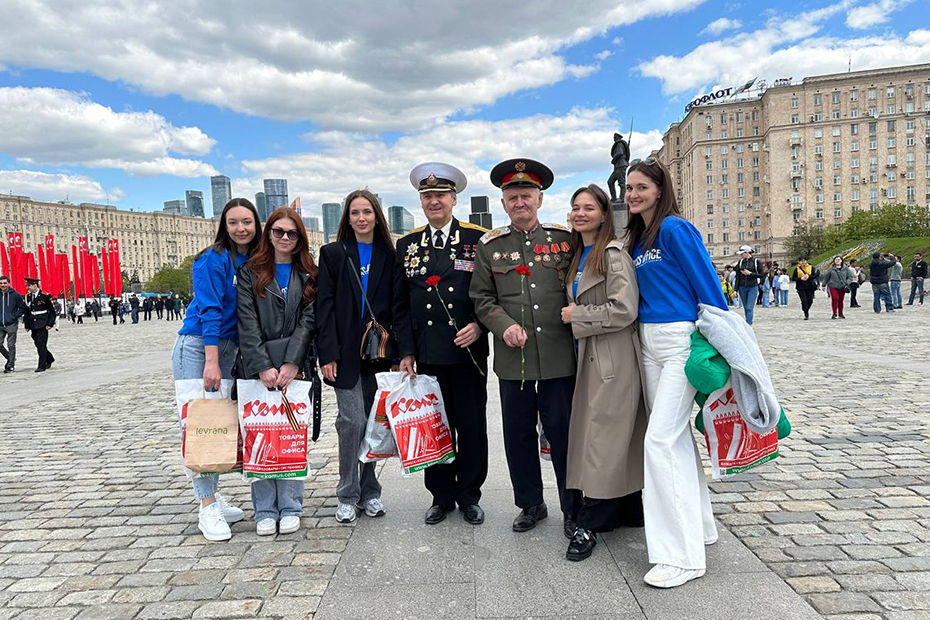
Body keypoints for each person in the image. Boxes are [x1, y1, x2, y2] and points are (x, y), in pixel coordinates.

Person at [624, 158, 728, 588]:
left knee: (659, 440)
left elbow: (709, 287)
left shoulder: (674, 228)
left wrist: (718, 342)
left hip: (680, 339)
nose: (633, 194)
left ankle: (680, 557)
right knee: (676, 437)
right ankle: (700, 527)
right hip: (649, 342)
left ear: (660, 188)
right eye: (629, 188)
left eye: (641, 187)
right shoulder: (638, 237)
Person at [470, 158, 579, 536]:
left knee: (564, 434)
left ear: (539, 199)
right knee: (518, 435)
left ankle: (572, 506)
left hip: (558, 357)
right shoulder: (490, 246)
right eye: (513, 197)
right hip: (512, 359)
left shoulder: (564, 241)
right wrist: (503, 327)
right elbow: (482, 298)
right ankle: (531, 503)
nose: (520, 203)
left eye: (526, 196)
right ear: (503, 203)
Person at [393, 163, 490, 526]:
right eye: (426, 196)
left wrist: (480, 326)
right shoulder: (407, 245)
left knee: (471, 425)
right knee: (432, 426)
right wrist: (406, 351)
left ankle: (469, 495)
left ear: (454, 198)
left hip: (467, 353)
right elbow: (400, 304)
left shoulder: (478, 239)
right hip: (428, 354)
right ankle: (440, 495)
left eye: (440, 195)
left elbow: (490, 294)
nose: (434, 202)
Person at [560, 184, 646, 562]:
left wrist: (577, 316)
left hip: (612, 359)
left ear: (603, 214)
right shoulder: (582, 254)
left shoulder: (612, 255)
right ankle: (627, 509)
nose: (580, 214)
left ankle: (589, 521)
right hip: (590, 356)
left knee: (602, 440)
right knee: (609, 438)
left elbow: (624, 310)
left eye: (589, 208)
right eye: (576, 208)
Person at [316, 189, 408, 524]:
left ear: (376, 216)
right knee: (351, 422)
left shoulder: (390, 253)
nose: (361, 218)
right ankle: (346, 493)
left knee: (373, 424)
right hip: (344, 355)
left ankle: (370, 492)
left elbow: (399, 306)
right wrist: (326, 353)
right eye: (355, 213)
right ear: (347, 218)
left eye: (367, 212)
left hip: (380, 354)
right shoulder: (333, 253)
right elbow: (323, 307)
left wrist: (400, 354)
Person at [173, 197, 261, 542]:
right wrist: (211, 361)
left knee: (220, 424)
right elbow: (209, 309)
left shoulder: (254, 259)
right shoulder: (213, 259)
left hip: (229, 348)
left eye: (247, 222)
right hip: (200, 346)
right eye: (233, 222)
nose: (241, 228)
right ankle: (207, 505)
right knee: (199, 424)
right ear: (223, 226)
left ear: (257, 225)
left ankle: (213, 495)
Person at [238, 207, 318, 536]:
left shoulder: (309, 273)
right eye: (278, 231)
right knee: (259, 435)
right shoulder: (250, 272)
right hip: (258, 367)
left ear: (300, 237)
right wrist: (262, 365)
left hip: (294, 366)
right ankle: (264, 509)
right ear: (268, 233)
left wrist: (292, 361)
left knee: (289, 435)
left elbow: (309, 320)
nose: (284, 238)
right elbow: (247, 321)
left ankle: (290, 505)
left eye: (291, 233)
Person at [23, 277, 56, 372]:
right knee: (37, 343)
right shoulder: (28, 297)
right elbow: (27, 312)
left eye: (29, 285)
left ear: (35, 285)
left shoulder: (45, 296)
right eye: (27, 286)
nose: (28, 287)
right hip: (33, 324)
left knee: (41, 344)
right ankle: (49, 358)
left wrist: (50, 323)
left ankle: (42, 365)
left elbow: (51, 311)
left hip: (43, 323)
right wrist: (27, 325)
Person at [0, 275, 25, 373]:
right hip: (0, 324)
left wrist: (14, 316)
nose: (3, 285)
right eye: (1, 283)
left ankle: (10, 365)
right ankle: (10, 358)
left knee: (11, 345)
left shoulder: (15, 295)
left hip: (11, 324)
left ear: (9, 284)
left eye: (5, 283)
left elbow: (22, 307)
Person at [735, 246, 763, 325]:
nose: (741, 256)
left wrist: (750, 273)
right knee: (745, 307)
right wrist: (735, 290)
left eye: (742, 254)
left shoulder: (756, 262)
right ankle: (748, 320)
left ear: (747, 253)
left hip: (753, 286)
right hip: (742, 287)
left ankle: (748, 324)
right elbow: (738, 277)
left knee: (749, 307)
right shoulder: (740, 262)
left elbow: (761, 274)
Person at [821, 255, 851, 319]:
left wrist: (847, 283)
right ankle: (834, 313)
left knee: (840, 300)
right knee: (835, 298)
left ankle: (840, 313)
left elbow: (850, 276)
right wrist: (823, 285)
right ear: (834, 261)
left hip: (842, 286)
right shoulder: (831, 269)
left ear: (841, 261)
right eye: (836, 260)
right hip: (833, 286)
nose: (837, 261)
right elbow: (826, 277)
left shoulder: (846, 269)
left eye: (839, 259)